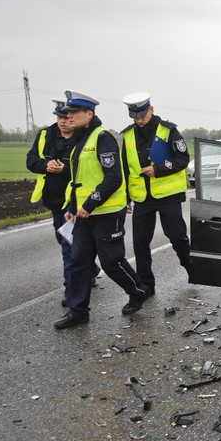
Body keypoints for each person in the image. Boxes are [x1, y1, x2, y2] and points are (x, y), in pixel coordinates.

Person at [54, 91, 149, 329]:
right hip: (85, 215)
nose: (70, 116)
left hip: (107, 213)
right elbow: (78, 181)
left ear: (90, 114)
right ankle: (78, 312)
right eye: (68, 113)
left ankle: (138, 291)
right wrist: (72, 207)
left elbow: (114, 177)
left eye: (74, 112)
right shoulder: (78, 143)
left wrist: (89, 203)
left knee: (111, 262)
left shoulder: (102, 138)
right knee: (79, 262)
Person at [26, 100, 99, 306]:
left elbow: (90, 167)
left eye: (67, 118)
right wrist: (46, 165)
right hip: (56, 201)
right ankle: (90, 268)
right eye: (59, 118)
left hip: (78, 201)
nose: (63, 122)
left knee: (69, 246)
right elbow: (31, 161)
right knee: (65, 240)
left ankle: (72, 289)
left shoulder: (84, 137)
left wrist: (64, 169)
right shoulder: (44, 136)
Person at [120, 92, 190, 296]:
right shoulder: (127, 135)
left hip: (168, 196)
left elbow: (183, 159)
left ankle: (191, 267)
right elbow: (124, 169)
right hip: (142, 198)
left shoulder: (168, 130)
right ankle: (146, 286)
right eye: (135, 117)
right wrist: (126, 198)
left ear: (151, 109)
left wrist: (158, 169)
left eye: (142, 115)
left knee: (177, 238)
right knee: (140, 244)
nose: (139, 120)